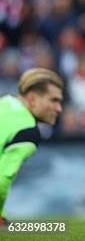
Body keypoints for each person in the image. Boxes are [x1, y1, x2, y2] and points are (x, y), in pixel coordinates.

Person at [0, 68, 64, 226]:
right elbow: (2, 180)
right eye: (53, 100)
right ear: (32, 99)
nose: (59, 109)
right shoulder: (28, 131)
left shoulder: (5, 103)